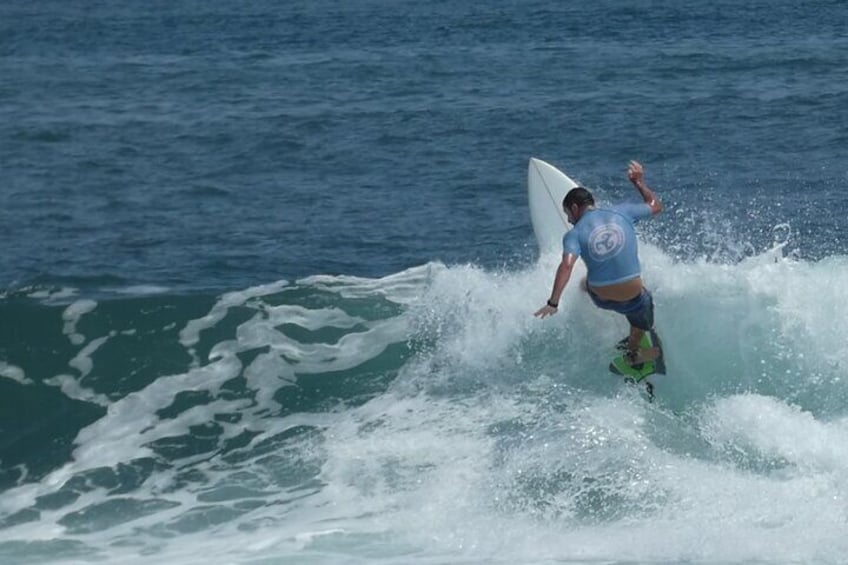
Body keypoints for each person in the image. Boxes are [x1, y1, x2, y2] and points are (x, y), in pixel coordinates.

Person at [534, 160, 664, 366]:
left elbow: (566, 266)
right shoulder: (623, 212)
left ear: (575, 208)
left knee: (584, 283)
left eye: (568, 214)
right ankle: (633, 353)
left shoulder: (574, 234)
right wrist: (639, 182)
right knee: (642, 305)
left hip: (600, 298)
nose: (569, 220)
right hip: (632, 297)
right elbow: (656, 206)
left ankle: (593, 295)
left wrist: (553, 303)